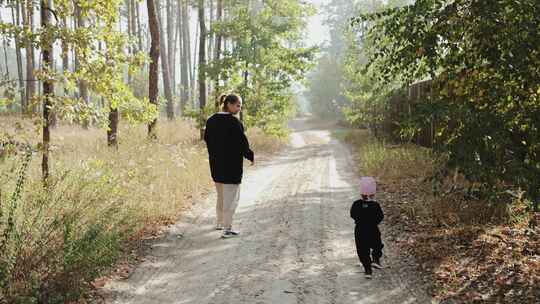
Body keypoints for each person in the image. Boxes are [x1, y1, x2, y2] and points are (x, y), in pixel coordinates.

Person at [204, 93, 254, 239]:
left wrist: (215, 155)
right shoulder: (234, 123)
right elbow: (242, 144)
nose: (239, 108)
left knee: (220, 196)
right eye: (238, 105)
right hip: (231, 168)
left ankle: (219, 223)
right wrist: (250, 156)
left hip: (216, 166)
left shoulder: (211, 120)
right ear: (229, 105)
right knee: (231, 198)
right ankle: (227, 228)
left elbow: (207, 140)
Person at [350, 176, 384, 279]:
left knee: (362, 250)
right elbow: (380, 217)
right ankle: (376, 258)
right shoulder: (375, 205)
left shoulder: (356, 204)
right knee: (377, 244)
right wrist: (374, 222)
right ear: (373, 193)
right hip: (373, 229)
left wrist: (359, 220)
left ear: (361, 192)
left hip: (360, 231)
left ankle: (367, 269)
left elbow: (352, 214)